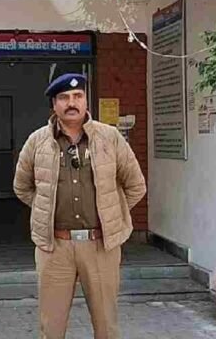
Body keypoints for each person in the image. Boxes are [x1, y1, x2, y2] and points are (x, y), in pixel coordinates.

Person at [13, 73, 146, 339]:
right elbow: (22, 187)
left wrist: (112, 212)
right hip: (54, 247)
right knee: (51, 328)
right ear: (54, 104)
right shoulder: (37, 141)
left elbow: (135, 186)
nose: (71, 103)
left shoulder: (110, 138)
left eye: (77, 96)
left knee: (106, 327)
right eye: (63, 97)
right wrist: (46, 209)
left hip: (101, 246)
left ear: (86, 100)